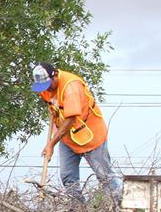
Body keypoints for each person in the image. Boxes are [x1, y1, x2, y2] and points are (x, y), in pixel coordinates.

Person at [31, 62, 122, 204]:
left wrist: (51, 144)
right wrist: (52, 141)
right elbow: (56, 113)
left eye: (48, 84)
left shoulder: (70, 87)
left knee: (105, 176)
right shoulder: (46, 89)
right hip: (67, 138)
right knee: (68, 178)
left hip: (91, 136)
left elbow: (70, 119)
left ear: (54, 75)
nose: (46, 89)